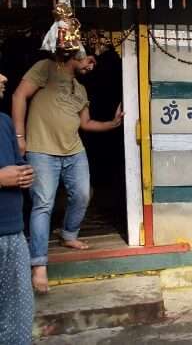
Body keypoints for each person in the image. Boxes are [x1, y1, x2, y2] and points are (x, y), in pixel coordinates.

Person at [13, 30, 124, 293]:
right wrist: (19, 136)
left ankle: (69, 234)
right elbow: (19, 96)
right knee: (43, 204)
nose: (92, 62)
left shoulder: (81, 89)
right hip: (41, 150)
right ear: (76, 54)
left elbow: (85, 124)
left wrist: (113, 123)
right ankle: (38, 264)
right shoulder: (46, 68)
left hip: (74, 151)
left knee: (84, 194)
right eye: (89, 58)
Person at [0, 72, 34, 345]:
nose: (3, 78)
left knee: (18, 318)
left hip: (13, 234)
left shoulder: (5, 122)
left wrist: (25, 174)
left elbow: (17, 164)